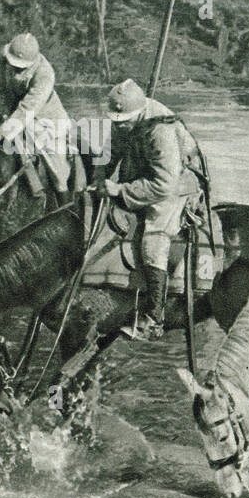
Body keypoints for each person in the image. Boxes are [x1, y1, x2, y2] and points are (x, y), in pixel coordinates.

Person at [97, 79, 208, 341]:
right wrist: (99, 176)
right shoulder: (124, 120)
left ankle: (154, 318)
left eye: (123, 121)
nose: (118, 125)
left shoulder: (161, 130)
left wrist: (120, 190)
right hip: (146, 172)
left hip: (176, 183)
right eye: (115, 120)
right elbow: (111, 151)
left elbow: (163, 185)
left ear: (137, 114)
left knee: (153, 237)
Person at [0, 32, 72, 197]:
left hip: (45, 122)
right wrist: (3, 114)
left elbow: (28, 108)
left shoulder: (45, 73)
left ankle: (66, 206)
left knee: (58, 173)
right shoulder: (3, 58)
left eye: (21, 67)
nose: (15, 69)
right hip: (12, 116)